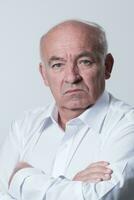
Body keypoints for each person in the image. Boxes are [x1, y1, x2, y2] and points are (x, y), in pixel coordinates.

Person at [0, 19, 134, 200]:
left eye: (85, 62)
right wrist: (73, 185)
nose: (71, 77)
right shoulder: (24, 126)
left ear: (107, 66)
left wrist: (23, 180)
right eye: (58, 65)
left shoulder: (128, 125)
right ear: (44, 74)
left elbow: (104, 197)